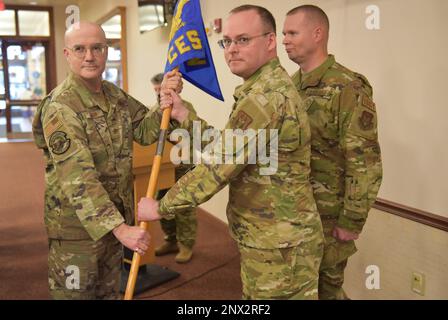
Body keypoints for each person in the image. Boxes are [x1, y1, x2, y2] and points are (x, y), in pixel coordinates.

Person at [138, 5, 324, 300]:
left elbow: (216, 167)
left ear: (270, 41)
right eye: (227, 42)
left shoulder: (264, 97)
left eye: (243, 40)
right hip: (272, 236)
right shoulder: (260, 88)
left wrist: (160, 208)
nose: (231, 50)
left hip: (279, 244)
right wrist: (184, 114)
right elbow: (225, 147)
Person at [32, 21, 180, 299]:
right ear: (67, 54)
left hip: (112, 223)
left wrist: (164, 99)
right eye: (80, 49)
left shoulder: (114, 95)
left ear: (106, 51)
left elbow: (146, 131)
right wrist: (121, 229)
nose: (89, 56)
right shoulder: (61, 106)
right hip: (77, 231)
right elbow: (79, 179)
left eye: (97, 48)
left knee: (108, 293)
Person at [282, 5, 383, 299]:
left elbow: (364, 163)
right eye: (283, 33)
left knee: (326, 289)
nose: (285, 39)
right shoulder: (289, 86)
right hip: (293, 211)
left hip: (328, 216)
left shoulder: (347, 87)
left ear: (317, 34)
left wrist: (351, 221)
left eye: (292, 32)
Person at [150, 73, 197, 263]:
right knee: (162, 203)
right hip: (163, 167)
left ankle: (186, 245)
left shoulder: (185, 108)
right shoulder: (156, 110)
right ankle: (170, 239)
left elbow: (188, 135)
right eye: (155, 90)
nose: (158, 93)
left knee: (184, 207)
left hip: (183, 164)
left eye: (160, 89)